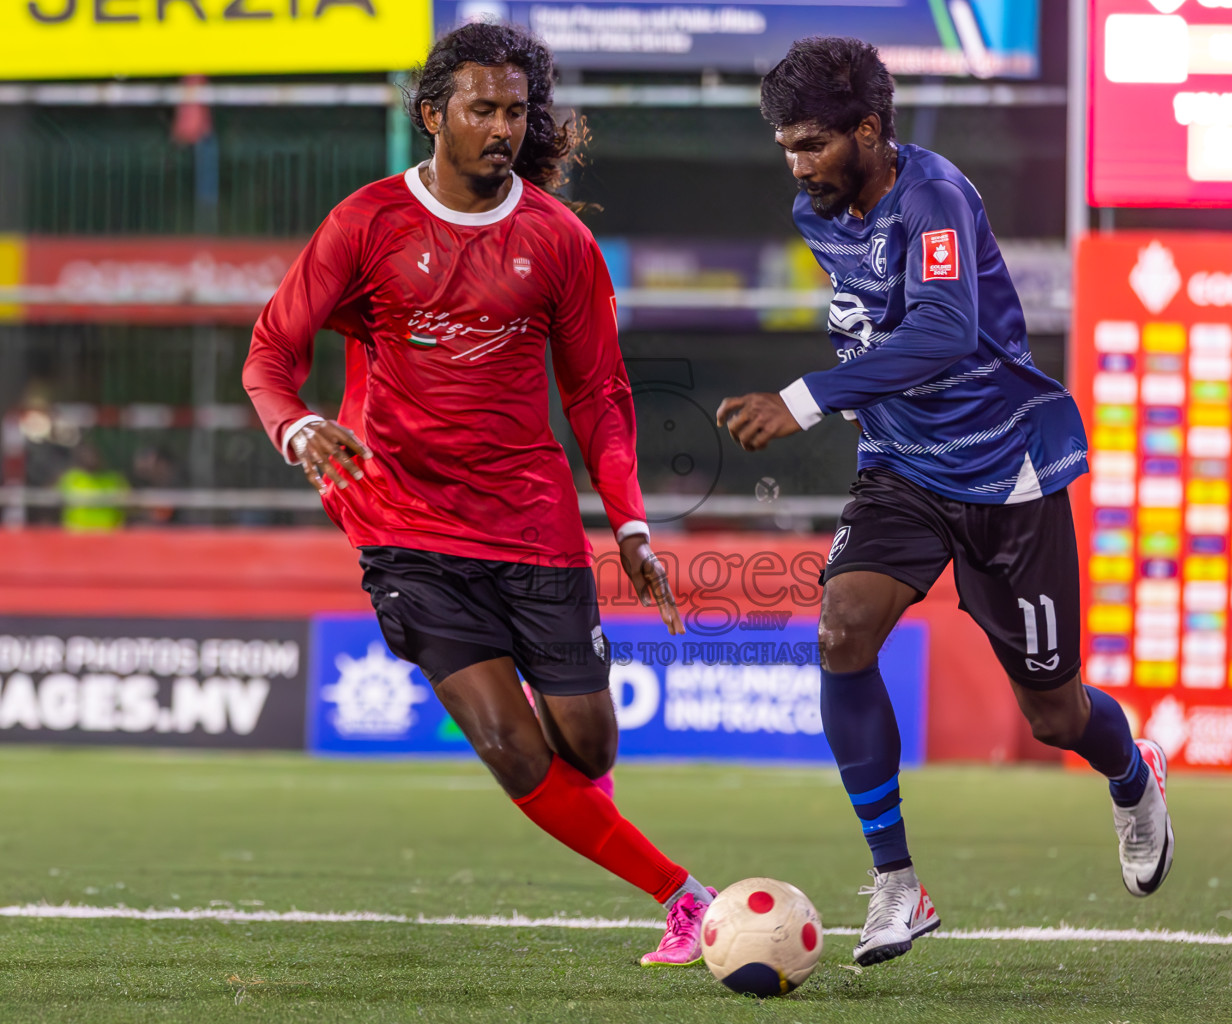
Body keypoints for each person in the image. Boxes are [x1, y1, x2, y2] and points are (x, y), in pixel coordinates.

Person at [243, 22, 715, 967]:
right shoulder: (366, 224)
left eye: (516, 111)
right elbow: (269, 355)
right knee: (510, 743)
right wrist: (298, 427)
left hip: (532, 525)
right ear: (433, 115)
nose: (502, 127)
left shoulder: (560, 240)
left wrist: (628, 523)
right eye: (482, 108)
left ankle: (599, 818)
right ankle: (686, 898)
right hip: (403, 522)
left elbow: (598, 393)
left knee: (585, 745)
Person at [716, 37, 1172, 967]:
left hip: (1007, 474)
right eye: (785, 146)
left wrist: (805, 398)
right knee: (841, 630)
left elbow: (945, 329)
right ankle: (896, 885)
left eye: (810, 144)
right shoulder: (819, 207)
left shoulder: (936, 197)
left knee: (1054, 715)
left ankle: (1132, 773)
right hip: (904, 468)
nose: (796, 166)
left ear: (870, 131)